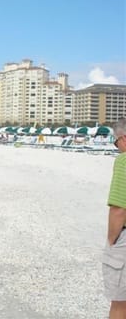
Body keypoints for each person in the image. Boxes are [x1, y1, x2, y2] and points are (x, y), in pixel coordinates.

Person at [102, 118, 126, 319]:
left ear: (124, 139)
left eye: (115, 142)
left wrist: (111, 240)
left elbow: (119, 208)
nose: (116, 147)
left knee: (120, 304)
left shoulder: (124, 160)